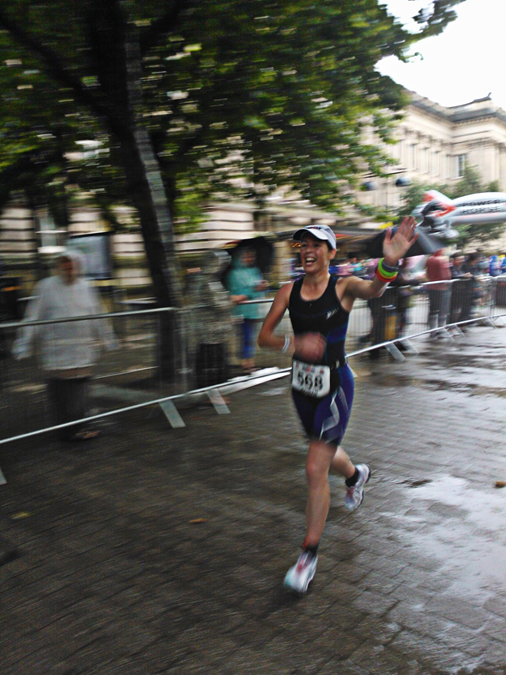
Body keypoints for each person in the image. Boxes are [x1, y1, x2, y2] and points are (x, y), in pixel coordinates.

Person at [257, 217, 418, 594]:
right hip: (302, 387)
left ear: (330, 253)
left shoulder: (343, 286)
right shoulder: (287, 291)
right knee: (324, 453)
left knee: (314, 467)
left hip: (335, 385)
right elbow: (265, 336)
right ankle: (355, 475)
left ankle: (308, 556)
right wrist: (292, 346)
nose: (308, 251)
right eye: (303, 246)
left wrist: (389, 262)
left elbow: (375, 290)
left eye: (316, 245)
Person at [12, 250, 117, 441]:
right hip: (57, 353)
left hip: (82, 352)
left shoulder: (86, 287)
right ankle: (66, 429)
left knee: (80, 391)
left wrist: (108, 338)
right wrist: (23, 344)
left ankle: (80, 426)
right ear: (58, 267)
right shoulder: (45, 287)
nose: (67, 270)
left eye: (71, 266)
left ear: (78, 267)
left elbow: (98, 314)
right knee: (60, 392)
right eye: (64, 266)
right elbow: (33, 317)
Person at [226, 248, 268, 374]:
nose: (249, 259)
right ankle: (246, 363)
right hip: (241, 311)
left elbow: (260, 289)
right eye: (246, 257)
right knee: (244, 336)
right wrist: (252, 290)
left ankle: (250, 362)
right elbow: (237, 292)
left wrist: (263, 287)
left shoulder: (255, 271)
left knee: (251, 336)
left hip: (254, 310)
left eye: (251, 256)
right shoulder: (233, 274)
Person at [425, 248, 451, 336]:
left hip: (431, 286)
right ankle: (441, 328)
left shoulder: (429, 259)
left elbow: (427, 272)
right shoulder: (443, 259)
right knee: (442, 308)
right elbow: (446, 275)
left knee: (433, 308)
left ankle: (432, 330)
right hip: (442, 287)